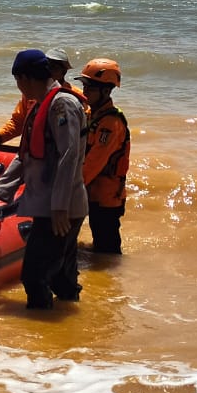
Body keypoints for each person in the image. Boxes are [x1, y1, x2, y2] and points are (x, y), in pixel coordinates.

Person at [0, 48, 87, 308]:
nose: (18, 87)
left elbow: (68, 156)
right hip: (52, 205)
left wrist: (60, 207)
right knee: (61, 275)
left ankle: (43, 333)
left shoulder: (63, 104)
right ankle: (70, 335)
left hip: (59, 209)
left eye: (17, 81)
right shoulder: (39, 105)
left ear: (24, 78)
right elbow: (25, 155)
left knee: (34, 276)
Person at [77, 58, 130, 255]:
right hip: (92, 192)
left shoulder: (111, 123)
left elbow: (93, 163)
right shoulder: (92, 115)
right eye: (85, 86)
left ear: (106, 91)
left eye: (90, 88)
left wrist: (70, 189)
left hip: (106, 197)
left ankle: (112, 283)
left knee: (107, 253)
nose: (85, 92)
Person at [0, 47, 83, 148]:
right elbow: (18, 122)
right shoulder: (31, 96)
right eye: (46, 66)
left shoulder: (70, 99)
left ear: (63, 71)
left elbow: (71, 147)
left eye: (54, 67)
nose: (48, 70)